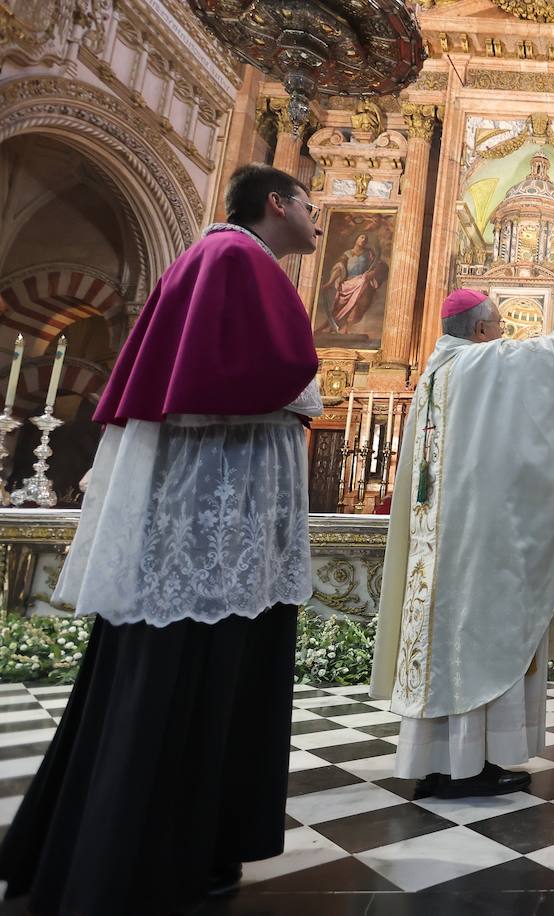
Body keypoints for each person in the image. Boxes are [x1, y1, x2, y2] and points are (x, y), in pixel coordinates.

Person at [0, 163, 323, 915]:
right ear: (276, 204)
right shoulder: (236, 258)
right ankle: (137, 860)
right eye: (309, 204)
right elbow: (265, 375)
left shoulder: (224, 259)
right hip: (209, 521)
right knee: (185, 673)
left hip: (211, 513)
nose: (316, 216)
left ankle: (158, 846)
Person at [371, 288, 554, 799]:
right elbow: (553, 360)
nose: (505, 335)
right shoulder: (478, 367)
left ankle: (434, 759)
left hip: (441, 541)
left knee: (445, 638)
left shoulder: (435, 373)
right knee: (477, 636)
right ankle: (469, 764)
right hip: (475, 546)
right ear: (481, 330)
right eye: (499, 325)